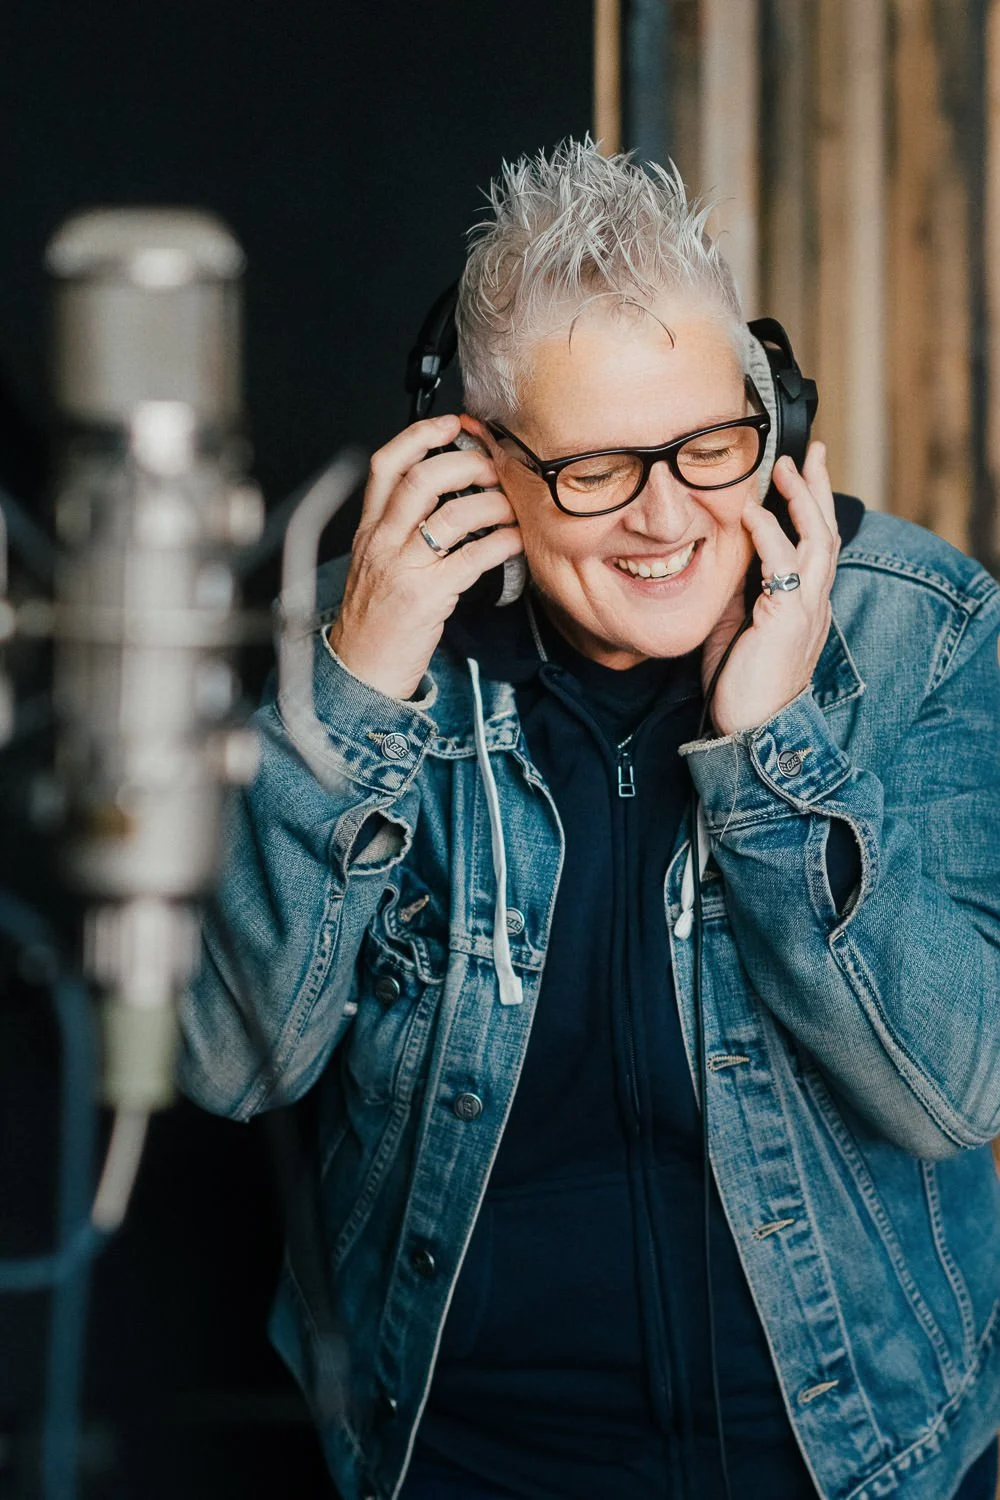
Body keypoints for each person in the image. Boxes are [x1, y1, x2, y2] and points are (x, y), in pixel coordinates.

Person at [179, 140, 1000, 1500]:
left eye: (711, 446)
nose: (670, 515)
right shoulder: (349, 647)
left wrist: (770, 751)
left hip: (862, 1457)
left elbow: (953, 1087)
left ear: (774, 422)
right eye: (599, 468)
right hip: (460, 1459)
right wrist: (356, 693)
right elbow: (227, 1060)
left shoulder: (921, 632)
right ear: (475, 459)